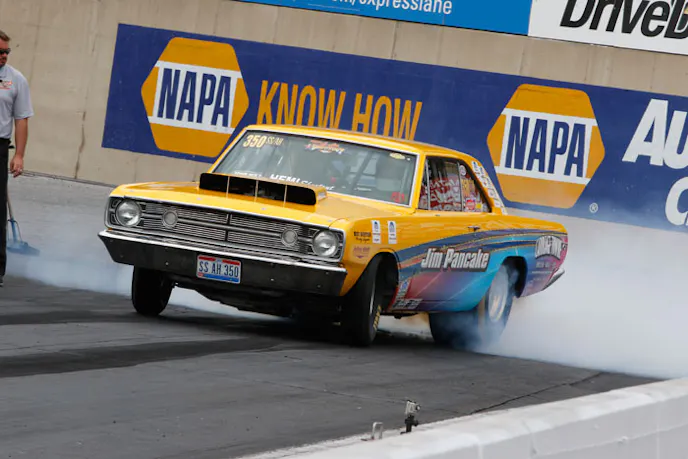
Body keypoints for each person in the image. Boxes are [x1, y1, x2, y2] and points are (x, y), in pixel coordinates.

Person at [0, 29, 33, 287]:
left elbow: (21, 120)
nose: (4, 56)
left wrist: (19, 155)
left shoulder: (16, 79)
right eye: (0, 52)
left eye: (7, 52)